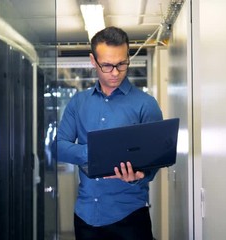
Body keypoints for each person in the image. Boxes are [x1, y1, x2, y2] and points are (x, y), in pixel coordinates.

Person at [56, 26, 163, 240]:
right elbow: (59, 147)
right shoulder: (78, 103)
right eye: (106, 65)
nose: (115, 72)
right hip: (85, 216)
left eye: (121, 64)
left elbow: (155, 160)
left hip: (130, 217)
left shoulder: (146, 105)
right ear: (93, 61)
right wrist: (97, 153)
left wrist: (138, 176)